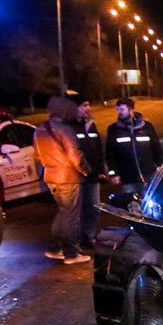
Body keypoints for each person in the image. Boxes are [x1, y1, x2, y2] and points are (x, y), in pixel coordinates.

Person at [33, 96, 91, 264]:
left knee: (63, 212)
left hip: (50, 176)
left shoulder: (40, 129)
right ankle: (71, 253)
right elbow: (75, 156)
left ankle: (54, 248)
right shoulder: (65, 129)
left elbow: (37, 155)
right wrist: (86, 170)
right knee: (71, 216)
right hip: (68, 177)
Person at [105, 97, 163, 194]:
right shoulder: (113, 129)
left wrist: (161, 170)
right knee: (130, 206)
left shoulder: (147, 127)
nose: (119, 112)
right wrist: (113, 174)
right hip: (127, 178)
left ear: (131, 110)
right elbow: (110, 154)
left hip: (148, 177)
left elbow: (157, 150)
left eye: (122, 109)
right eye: (118, 109)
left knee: (148, 206)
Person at [69, 95, 104, 250]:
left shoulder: (91, 124)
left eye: (88, 105)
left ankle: (88, 236)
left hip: (93, 175)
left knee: (93, 208)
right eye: (84, 105)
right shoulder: (69, 126)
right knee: (77, 210)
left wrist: (101, 170)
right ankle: (75, 241)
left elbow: (97, 148)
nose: (87, 108)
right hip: (77, 175)